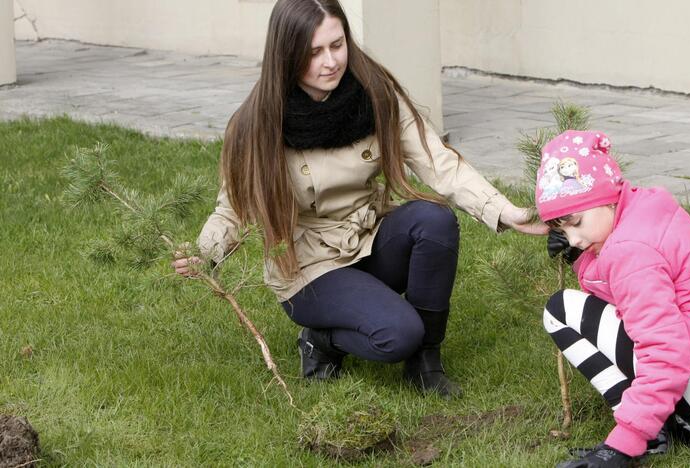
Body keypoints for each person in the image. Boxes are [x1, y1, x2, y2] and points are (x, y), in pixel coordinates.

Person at [171, 0, 544, 399]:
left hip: (369, 238)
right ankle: (321, 340)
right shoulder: (257, 123)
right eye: (314, 52)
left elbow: (438, 162)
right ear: (286, 53)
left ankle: (424, 363)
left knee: (434, 220)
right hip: (309, 267)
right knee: (398, 334)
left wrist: (505, 211)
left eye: (337, 44)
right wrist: (205, 252)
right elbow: (233, 208)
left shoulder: (375, 92)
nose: (331, 61)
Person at [535, 130, 690, 467]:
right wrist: (581, 259)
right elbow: (621, 295)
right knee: (589, 312)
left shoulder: (629, 250)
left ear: (605, 197)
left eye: (576, 222)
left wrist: (623, 444)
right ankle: (672, 419)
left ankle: (647, 426)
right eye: (563, 231)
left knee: (559, 309)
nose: (573, 238)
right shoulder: (641, 208)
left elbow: (662, 348)